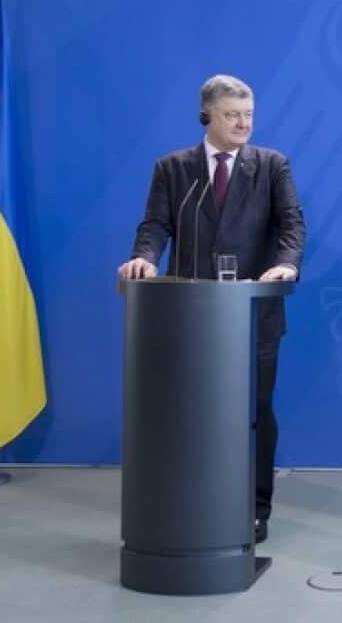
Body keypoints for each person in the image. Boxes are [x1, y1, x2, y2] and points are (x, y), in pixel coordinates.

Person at [117, 74, 305, 543]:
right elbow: (155, 224)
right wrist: (144, 257)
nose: (243, 124)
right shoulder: (173, 168)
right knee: (189, 408)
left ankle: (255, 507)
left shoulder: (271, 166)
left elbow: (291, 225)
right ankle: (190, 497)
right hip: (191, 316)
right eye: (232, 115)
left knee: (255, 409)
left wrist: (285, 265)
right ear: (207, 116)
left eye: (248, 115)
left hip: (253, 313)